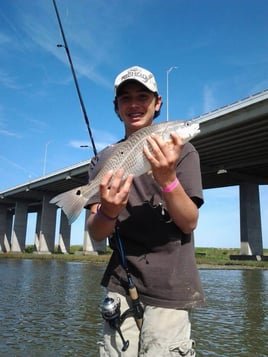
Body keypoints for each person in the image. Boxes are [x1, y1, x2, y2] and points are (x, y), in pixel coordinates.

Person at [86, 65, 205, 357]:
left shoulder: (185, 152)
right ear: (116, 107)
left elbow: (189, 222)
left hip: (172, 288)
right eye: (125, 98)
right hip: (120, 282)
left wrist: (167, 180)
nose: (135, 104)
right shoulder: (101, 160)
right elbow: (96, 232)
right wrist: (108, 212)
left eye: (143, 96)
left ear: (158, 102)